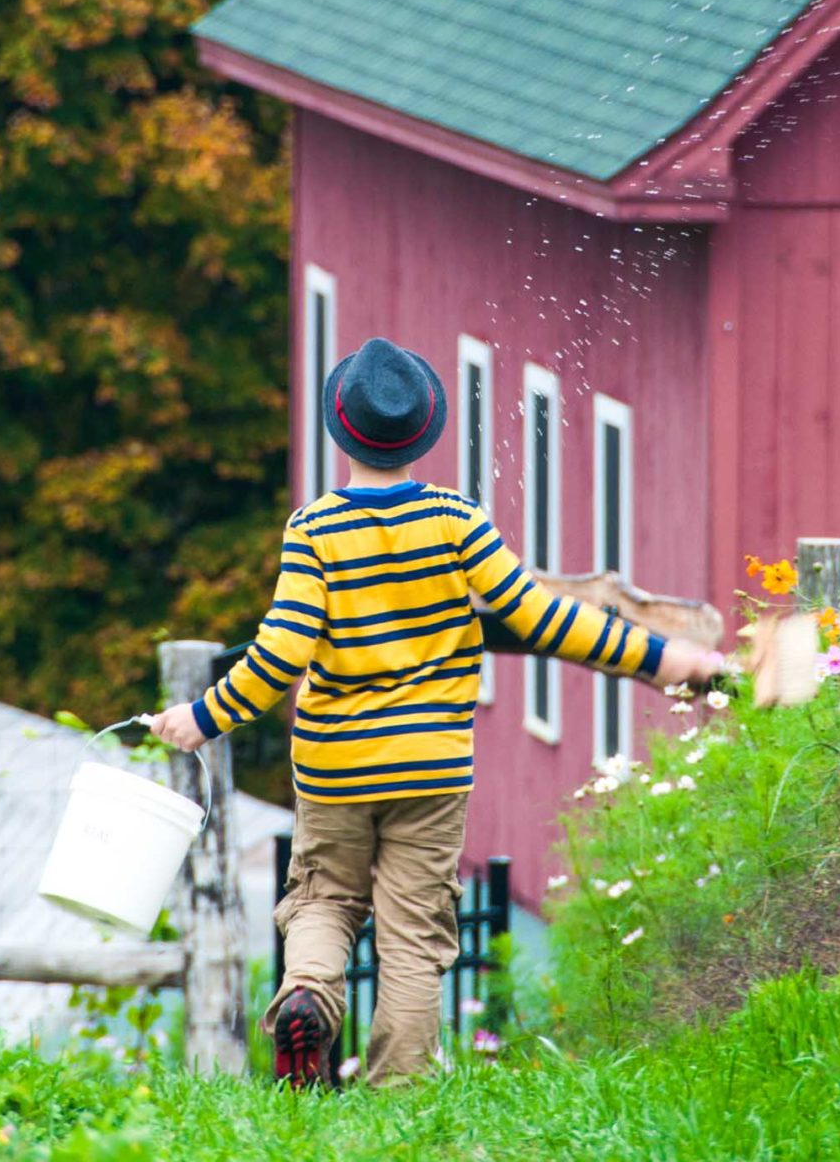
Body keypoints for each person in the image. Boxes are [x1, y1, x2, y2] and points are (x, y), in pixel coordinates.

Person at [150, 336, 729, 1087]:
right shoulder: (459, 521)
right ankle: (399, 1100)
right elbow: (541, 616)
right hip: (431, 767)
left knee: (323, 899)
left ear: (338, 427)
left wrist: (203, 716)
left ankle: (307, 997)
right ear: (424, 428)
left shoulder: (314, 531)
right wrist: (665, 662)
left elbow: (281, 654)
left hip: (333, 771)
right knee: (414, 938)